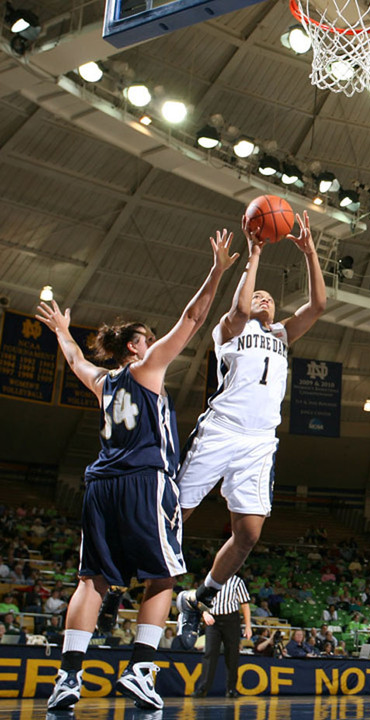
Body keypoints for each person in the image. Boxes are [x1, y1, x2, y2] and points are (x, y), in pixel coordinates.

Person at [35, 230, 238, 712]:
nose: (154, 343)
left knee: (92, 582)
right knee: (163, 577)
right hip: (146, 481)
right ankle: (141, 670)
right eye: (147, 338)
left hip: (100, 483)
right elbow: (192, 319)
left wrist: (63, 330)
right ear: (135, 347)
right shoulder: (146, 370)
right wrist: (216, 272)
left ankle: (67, 678)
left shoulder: (105, 383)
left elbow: (76, 360)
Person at [176, 211, 326, 642]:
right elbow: (240, 306)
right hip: (222, 428)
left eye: (268, 298)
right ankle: (128, 581)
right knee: (176, 517)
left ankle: (201, 596)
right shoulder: (231, 330)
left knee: (249, 534)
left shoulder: (281, 334)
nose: (263, 298)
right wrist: (255, 252)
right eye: (257, 294)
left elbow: (317, 306)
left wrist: (310, 252)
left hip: (260, 441)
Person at [191, 575, 251, 698]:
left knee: (232, 654)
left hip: (231, 620)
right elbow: (199, 600)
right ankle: (203, 688)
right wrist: (205, 613)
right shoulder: (210, 579)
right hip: (213, 620)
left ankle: (231, 689)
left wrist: (248, 626)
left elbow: (245, 604)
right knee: (209, 653)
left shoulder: (237, 581)